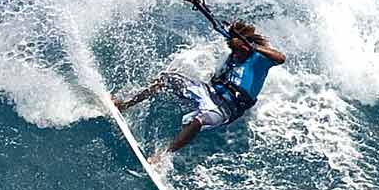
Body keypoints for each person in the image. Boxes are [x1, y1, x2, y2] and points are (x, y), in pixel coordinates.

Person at [113, 21, 286, 161]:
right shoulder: (235, 48)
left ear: (247, 48)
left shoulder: (259, 60)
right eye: (233, 50)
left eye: (239, 51)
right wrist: (196, 3)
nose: (235, 54)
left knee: (198, 120)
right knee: (167, 78)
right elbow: (219, 26)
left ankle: (163, 156)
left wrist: (254, 47)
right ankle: (125, 104)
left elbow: (281, 58)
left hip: (227, 108)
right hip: (207, 91)